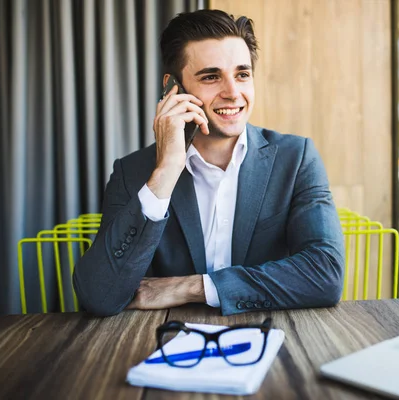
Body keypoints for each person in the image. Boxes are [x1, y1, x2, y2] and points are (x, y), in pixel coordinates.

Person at [73, 9, 344, 316]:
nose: (232, 93)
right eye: (211, 77)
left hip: (271, 336)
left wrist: (192, 287)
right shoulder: (132, 172)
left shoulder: (296, 159)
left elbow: (325, 275)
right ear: (173, 87)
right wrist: (166, 170)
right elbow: (98, 296)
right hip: (164, 342)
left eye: (242, 74)